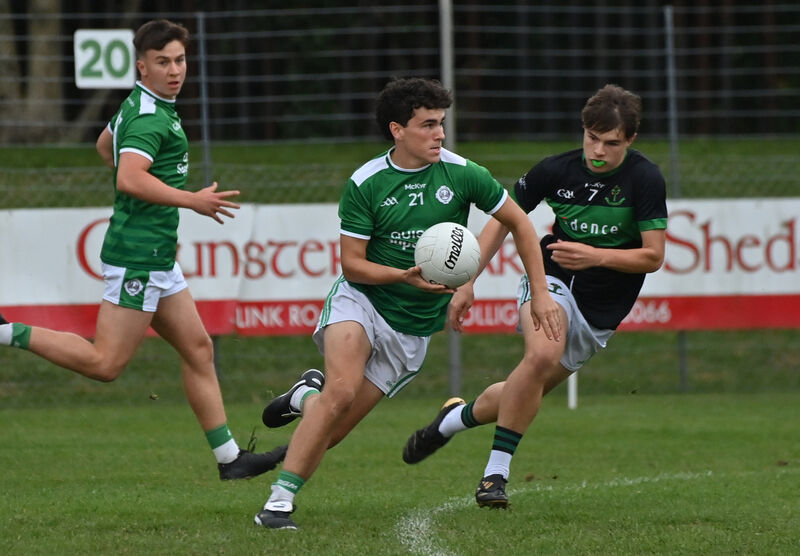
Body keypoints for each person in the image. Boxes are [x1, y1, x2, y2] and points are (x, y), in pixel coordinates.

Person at [253, 76, 562, 530]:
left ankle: (305, 397)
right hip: (362, 301)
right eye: (427, 125)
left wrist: (535, 293)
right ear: (397, 130)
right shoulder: (367, 182)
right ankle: (278, 505)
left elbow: (519, 223)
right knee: (340, 391)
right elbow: (353, 265)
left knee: (331, 430)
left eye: (441, 123)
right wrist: (403, 276)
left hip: (411, 329)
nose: (439, 134)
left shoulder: (462, 173)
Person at [0, 19, 285, 480]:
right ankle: (6, 332)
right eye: (162, 62)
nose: (175, 70)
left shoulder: (140, 102)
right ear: (142, 65)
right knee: (106, 363)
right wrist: (190, 199)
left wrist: (154, 209)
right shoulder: (151, 116)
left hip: (155, 254)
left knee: (198, 348)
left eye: (180, 60)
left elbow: (104, 145)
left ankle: (230, 459)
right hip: (139, 257)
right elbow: (129, 176)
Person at [401, 84, 668, 509]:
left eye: (611, 143)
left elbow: (653, 256)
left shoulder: (644, 178)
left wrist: (596, 255)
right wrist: (468, 280)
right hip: (551, 278)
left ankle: (451, 420)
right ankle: (495, 476)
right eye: (591, 138)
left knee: (523, 389)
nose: (598, 150)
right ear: (583, 130)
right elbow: (503, 220)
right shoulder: (554, 170)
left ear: (630, 140)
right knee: (541, 356)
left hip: (602, 309)